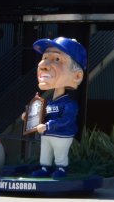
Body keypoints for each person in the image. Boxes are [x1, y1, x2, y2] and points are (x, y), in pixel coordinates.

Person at [25, 37, 86, 179]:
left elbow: (65, 119)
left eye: (57, 59)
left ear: (77, 76)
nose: (43, 65)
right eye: (44, 57)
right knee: (45, 153)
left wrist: (47, 126)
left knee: (60, 155)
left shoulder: (69, 104)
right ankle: (45, 168)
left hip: (62, 135)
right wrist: (28, 117)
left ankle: (61, 169)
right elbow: (42, 115)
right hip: (47, 135)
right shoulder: (48, 102)